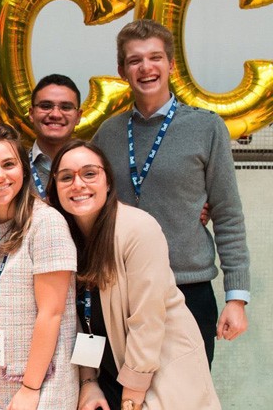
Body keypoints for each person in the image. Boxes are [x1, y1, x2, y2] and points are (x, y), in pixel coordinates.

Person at [92, 19, 250, 364]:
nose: (146, 68)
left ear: (171, 65)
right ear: (122, 70)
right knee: (126, 395)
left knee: (186, 396)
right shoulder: (108, 133)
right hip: (122, 289)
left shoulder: (207, 127)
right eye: (135, 60)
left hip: (187, 288)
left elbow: (227, 214)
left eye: (155, 57)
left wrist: (236, 298)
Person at [46, 140, 221, 410]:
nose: (78, 184)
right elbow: (80, 321)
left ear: (108, 181)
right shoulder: (64, 237)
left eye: (89, 173)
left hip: (158, 375)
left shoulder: (138, 228)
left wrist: (132, 396)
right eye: (66, 177)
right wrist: (88, 381)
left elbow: (146, 320)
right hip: (108, 375)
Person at [0, 122, 78, 410]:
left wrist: (30, 389)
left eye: (8, 164)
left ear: (24, 169)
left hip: (40, 382)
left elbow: (51, 313)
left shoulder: (46, 223)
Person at [28, 74, 83, 199]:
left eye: (66, 107)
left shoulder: (93, 169)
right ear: (31, 114)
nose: (55, 114)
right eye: (46, 106)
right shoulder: (15, 169)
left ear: (78, 116)